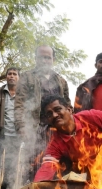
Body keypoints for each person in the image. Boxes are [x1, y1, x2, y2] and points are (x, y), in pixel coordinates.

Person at [34, 95, 102, 181]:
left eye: (57, 109)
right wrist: (35, 188)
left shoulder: (90, 117)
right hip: (89, 175)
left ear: (69, 110)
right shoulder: (55, 143)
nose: (54, 115)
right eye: (49, 114)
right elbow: (46, 168)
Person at [14, 45, 70, 180]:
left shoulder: (61, 81)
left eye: (48, 58)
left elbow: (67, 105)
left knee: (60, 166)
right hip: (35, 129)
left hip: (58, 130)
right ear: (35, 58)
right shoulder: (26, 77)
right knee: (33, 166)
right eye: (41, 57)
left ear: (53, 59)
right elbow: (19, 104)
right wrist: (22, 127)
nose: (44, 61)